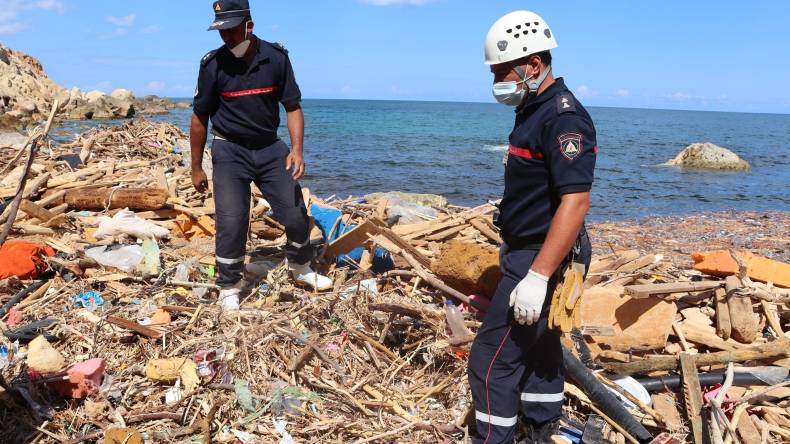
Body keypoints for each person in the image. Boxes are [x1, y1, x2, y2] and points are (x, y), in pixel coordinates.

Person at [468, 10, 596, 444]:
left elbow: (575, 201)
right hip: (528, 249)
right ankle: (540, 432)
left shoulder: (563, 119)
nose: (497, 81)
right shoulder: (533, 109)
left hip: (544, 255)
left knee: (489, 361)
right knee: (540, 351)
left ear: (534, 65)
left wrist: (538, 276)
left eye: (503, 71)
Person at [190, 0, 331, 310]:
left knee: (294, 212)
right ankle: (229, 285)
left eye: (231, 29)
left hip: (269, 147)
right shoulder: (212, 65)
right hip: (229, 149)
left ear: (249, 26)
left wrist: (296, 150)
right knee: (232, 218)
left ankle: (300, 266)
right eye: (220, 30)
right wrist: (196, 167)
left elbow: (292, 107)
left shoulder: (276, 58)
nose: (225, 36)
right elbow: (200, 118)